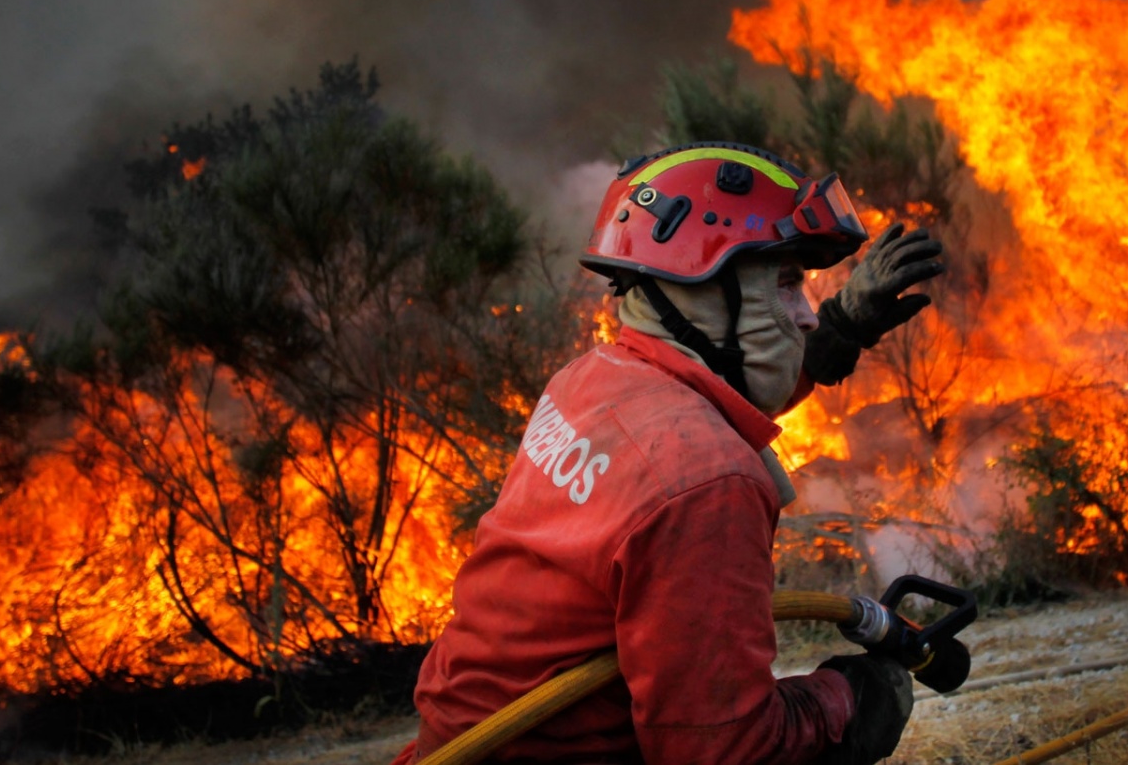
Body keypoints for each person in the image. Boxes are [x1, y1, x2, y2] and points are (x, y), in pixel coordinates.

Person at [393, 142, 945, 764]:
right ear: (700, 293)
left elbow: (711, 393)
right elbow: (726, 753)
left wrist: (843, 329)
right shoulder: (706, 483)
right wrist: (846, 701)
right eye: (787, 286)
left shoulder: (593, 379)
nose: (806, 316)